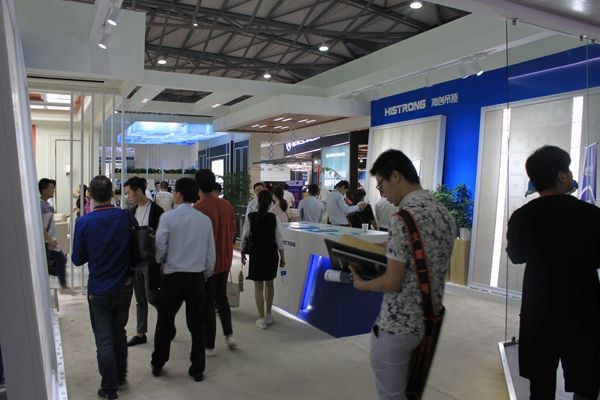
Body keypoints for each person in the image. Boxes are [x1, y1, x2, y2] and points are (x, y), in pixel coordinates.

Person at [349, 149, 455, 400]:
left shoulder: (402, 218)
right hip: (428, 321)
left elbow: (392, 281)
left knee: (392, 395)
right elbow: (426, 254)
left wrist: (362, 284)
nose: (382, 193)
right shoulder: (443, 213)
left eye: (381, 185)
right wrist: (389, 246)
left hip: (396, 327)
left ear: (395, 176)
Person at [506, 145, 600, 400]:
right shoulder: (592, 215)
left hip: (539, 311)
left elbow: (516, 256)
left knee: (541, 384)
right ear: (561, 176)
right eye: (568, 170)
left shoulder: (521, 217)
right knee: (586, 383)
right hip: (583, 310)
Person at [71, 176, 137, 400]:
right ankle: (120, 377)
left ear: (89, 195)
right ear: (112, 194)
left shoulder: (84, 222)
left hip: (98, 288)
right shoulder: (125, 217)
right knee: (119, 332)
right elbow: (137, 248)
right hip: (125, 285)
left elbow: (77, 259)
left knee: (104, 339)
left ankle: (109, 388)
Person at [151, 178, 215, 382]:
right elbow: (210, 254)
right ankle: (197, 369)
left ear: (178, 194)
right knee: (197, 326)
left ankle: (158, 362)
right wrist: (205, 274)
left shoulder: (168, 217)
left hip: (172, 277)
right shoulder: (204, 220)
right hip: (196, 278)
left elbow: (160, 244)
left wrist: (161, 261)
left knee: (164, 322)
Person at [194, 170, 238, 357]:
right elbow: (233, 232)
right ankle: (229, 335)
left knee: (208, 303)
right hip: (225, 259)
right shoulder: (227, 205)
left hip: (207, 264)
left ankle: (210, 345)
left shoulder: (198, 208)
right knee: (222, 298)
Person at [123, 177, 164, 347]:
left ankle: (167, 315)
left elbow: (162, 238)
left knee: (151, 296)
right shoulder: (131, 212)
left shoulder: (157, 211)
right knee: (139, 299)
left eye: (129, 193)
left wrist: (162, 262)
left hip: (150, 260)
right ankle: (141, 333)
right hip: (135, 260)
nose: (127, 197)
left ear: (139, 191)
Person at [241, 190, 286, 329]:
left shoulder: (250, 217)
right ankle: (269, 314)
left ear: (258, 201)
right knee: (270, 284)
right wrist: (283, 257)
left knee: (258, 286)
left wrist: (242, 252)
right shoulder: (273, 217)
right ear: (270, 202)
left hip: (256, 254)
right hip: (271, 253)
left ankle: (261, 318)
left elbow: (245, 236)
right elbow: (279, 239)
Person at [39, 178, 69, 290]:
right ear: (44, 190)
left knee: (61, 259)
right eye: (51, 188)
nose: (53, 190)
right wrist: (49, 239)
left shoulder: (49, 206)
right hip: (46, 241)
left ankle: (63, 284)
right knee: (46, 264)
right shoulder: (40, 205)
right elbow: (40, 225)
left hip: (51, 240)